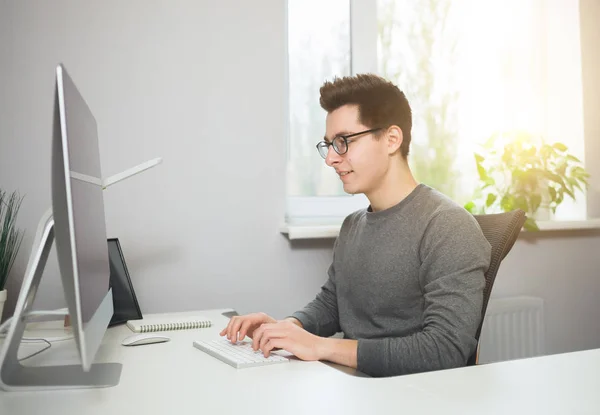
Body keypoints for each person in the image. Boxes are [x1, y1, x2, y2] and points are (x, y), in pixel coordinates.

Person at [221, 73, 491, 377]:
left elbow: (445, 350)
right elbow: (334, 304)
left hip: (408, 395)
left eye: (343, 142)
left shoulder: (448, 227)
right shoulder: (353, 225)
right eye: (328, 145)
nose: (331, 159)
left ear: (391, 139)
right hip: (351, 385)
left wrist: (321, 347)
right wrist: (287, 327)